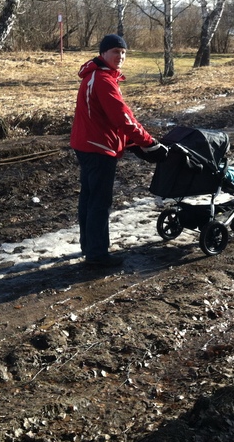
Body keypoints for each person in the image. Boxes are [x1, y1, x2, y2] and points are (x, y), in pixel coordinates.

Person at [70, 34, 167, 267]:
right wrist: (148, 142)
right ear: (103, 54)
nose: (120, 56)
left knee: (89, 198)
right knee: (99, 202)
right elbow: (123, 118)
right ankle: (97, 255)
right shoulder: (102, 79)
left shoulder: (95, 75)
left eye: (123, 53)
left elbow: (110, 118)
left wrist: (132, 142)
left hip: (88, 144)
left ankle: (89, 246)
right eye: (115, 52)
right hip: (98, 147)